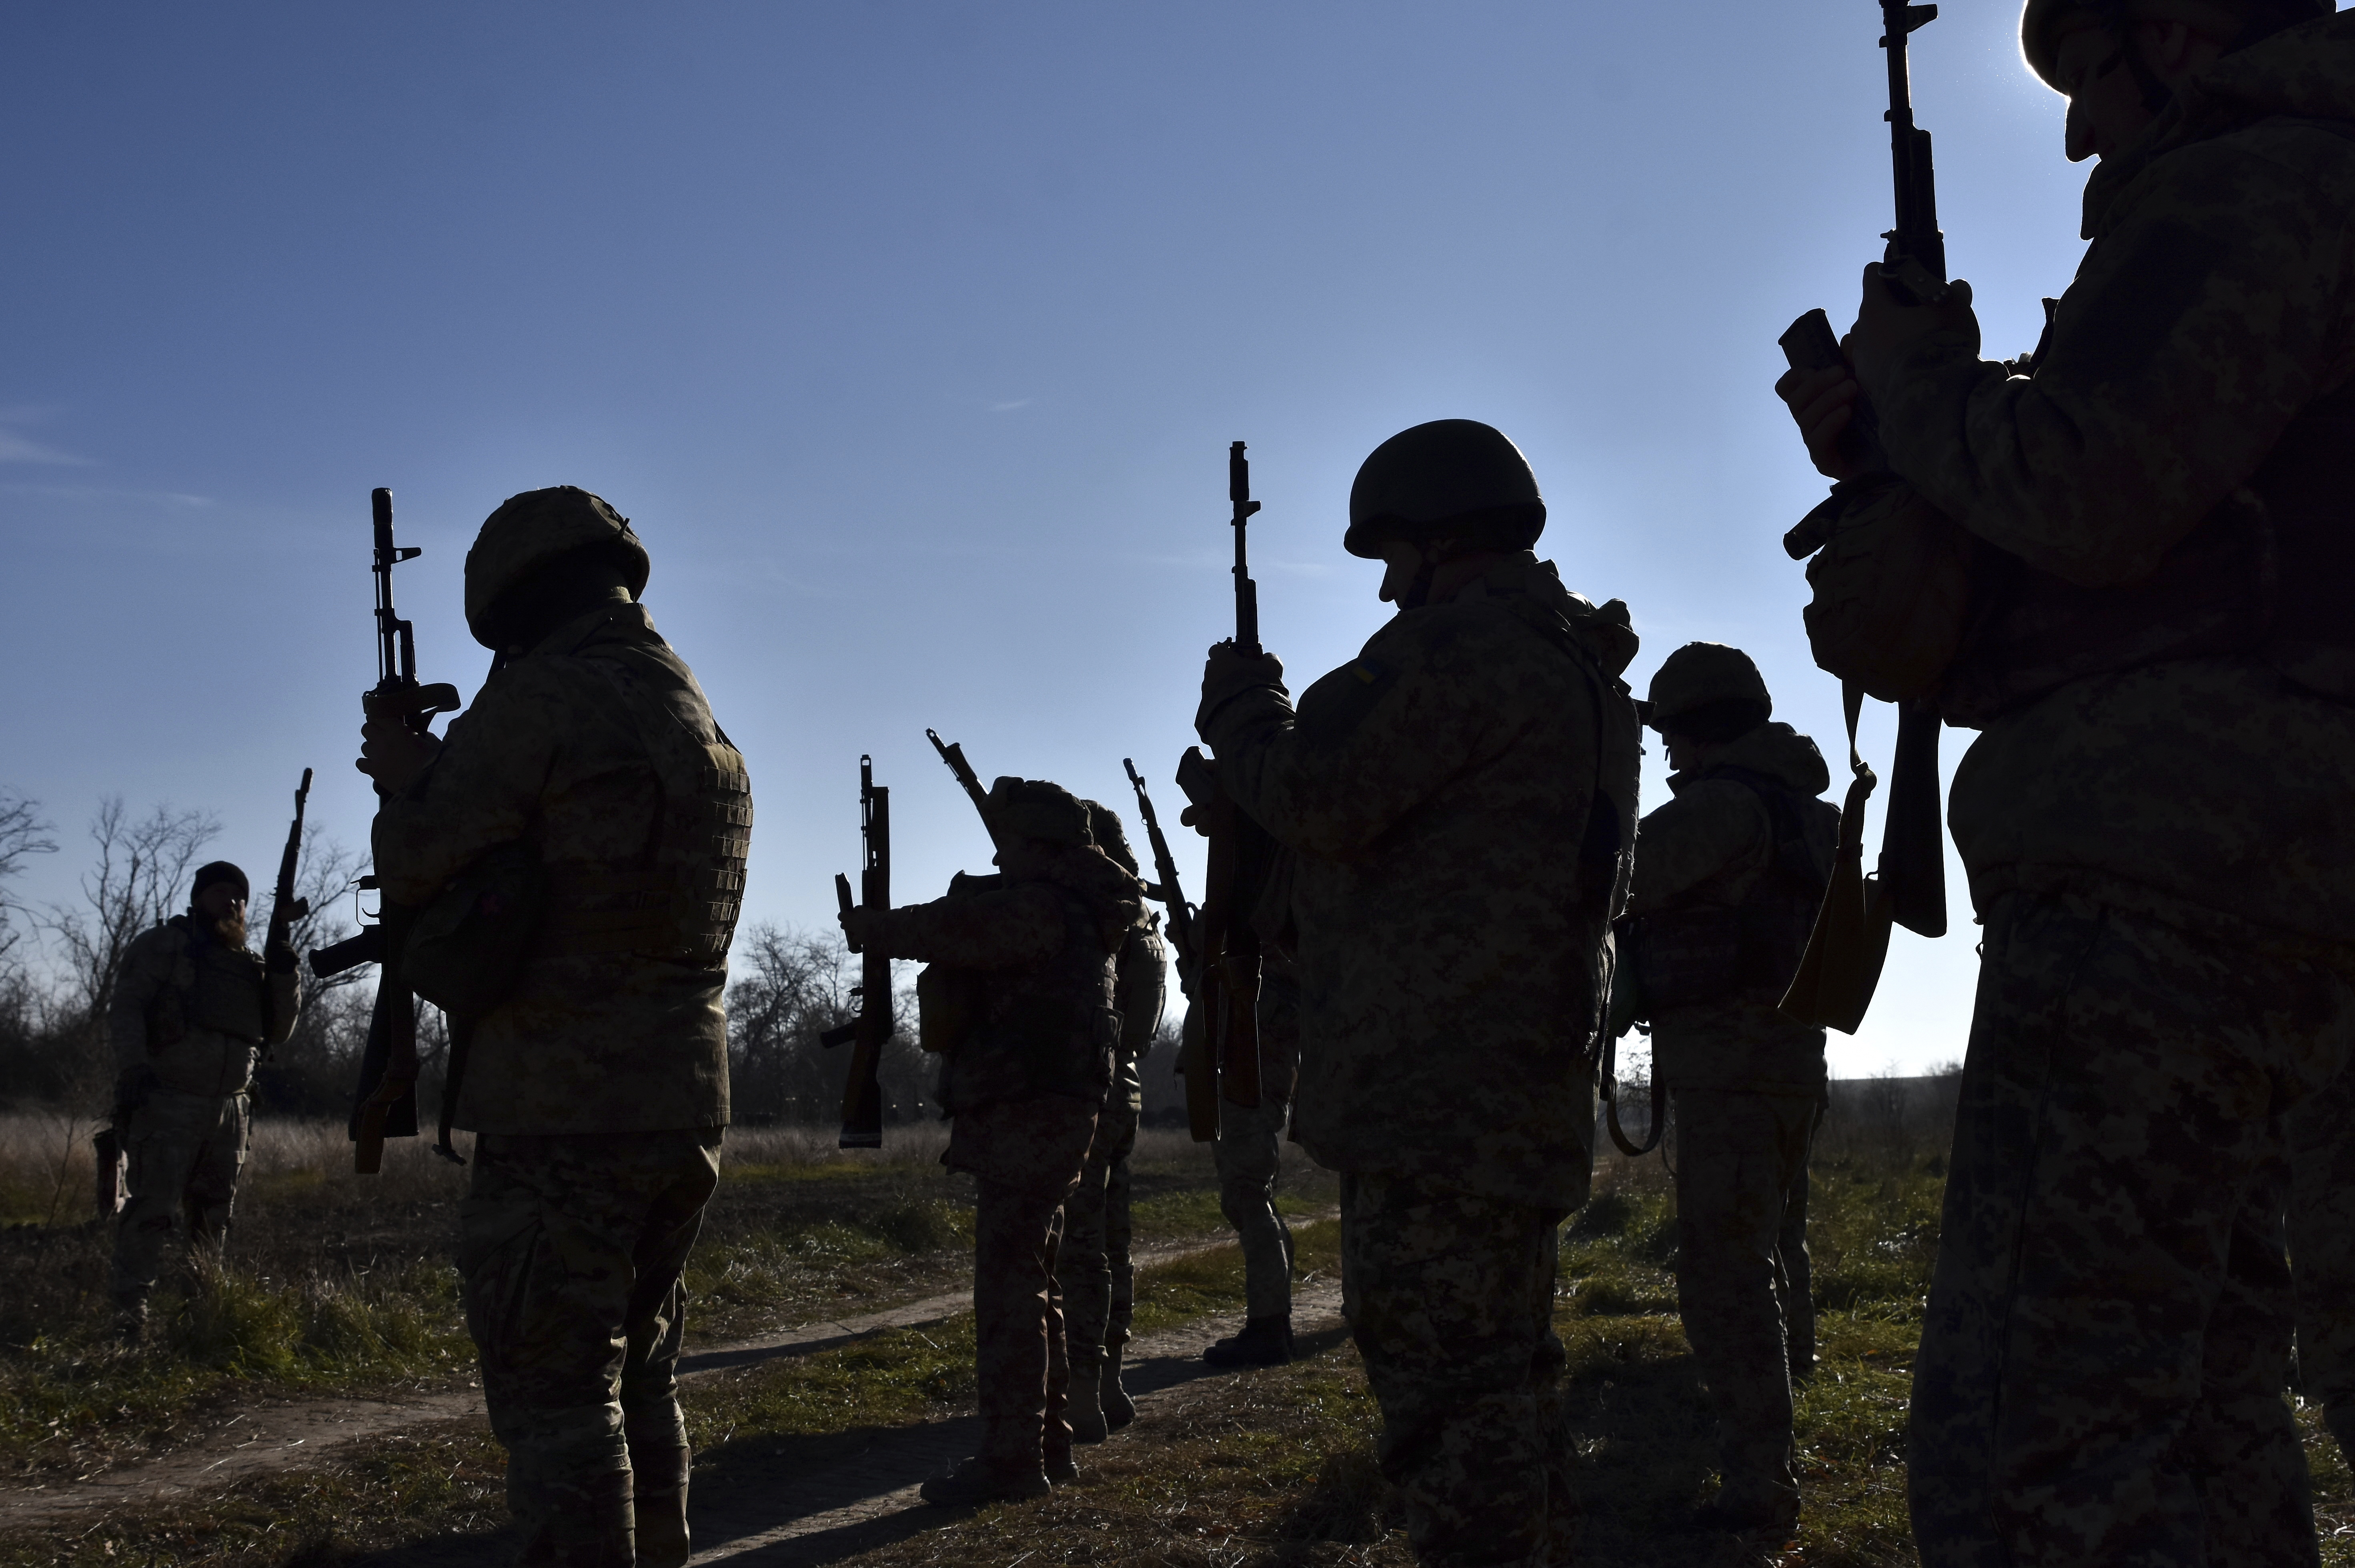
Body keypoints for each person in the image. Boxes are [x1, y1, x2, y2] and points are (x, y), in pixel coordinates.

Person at [1775, 2, 2355, 1559]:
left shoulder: (2248, 184)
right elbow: (2130, 550)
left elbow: (2093, 493)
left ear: (2177, 23)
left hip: (2173, 887)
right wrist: (1898, 469)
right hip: (2242, 872)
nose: (2078, 133)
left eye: (2091, 80)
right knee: (2204, 1434)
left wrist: (1920, 389)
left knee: (2023, 1461)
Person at [1195, 418, 1642, 1567]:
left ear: (1443, 536)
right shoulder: (1572, 666)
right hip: (1510, 1073)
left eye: (1395, 556)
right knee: (1504, 1380)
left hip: (1436, 1084)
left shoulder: (1462, 652)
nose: (1390, 589)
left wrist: (1244, 713)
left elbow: (1321, 791)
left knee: (1445, 1395)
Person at [358, 485, 751, 1568]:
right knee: (644, 1369)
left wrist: (400, 774)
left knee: (557, 1396)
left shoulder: (543, 699)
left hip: (562, 1100)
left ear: (515, 598)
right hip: (684, 1098)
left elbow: (415, 856)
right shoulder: (694, 713)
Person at [840, 777, 1143, 1505]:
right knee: (1035, 1280)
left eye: (1007, 838)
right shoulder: (1082, 903)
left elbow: (949, 929)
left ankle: (1011, 1459)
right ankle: (1048, 1444)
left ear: (1035, 840)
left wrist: (872, 925)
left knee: (1010, 1286)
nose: (998, 853)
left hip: (1025, 1112)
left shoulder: (1041, 904)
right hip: (1055, 1109)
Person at [1617, 643, 1838, 1533]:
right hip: (1792, 1062)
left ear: (1692, 732)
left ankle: (1761, 1484)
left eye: (1671, 735)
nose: (1669, 753)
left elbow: (1614, 879)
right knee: (1777, 1239)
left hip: (1729, 1068)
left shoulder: (1719, 811)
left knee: (1723, 1276)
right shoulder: (1807, 812)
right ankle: (1796, 1375)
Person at [106, 860, 300, 1343]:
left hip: (232, 1109)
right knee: (151, 1211)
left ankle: (203, 1321)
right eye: (220, 892)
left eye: (239, 897)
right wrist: (132, 1066)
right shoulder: (164, 946)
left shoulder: (251, 964)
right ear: (198, 898)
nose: (232, 902)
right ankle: (128, 1326)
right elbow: (127, 1005)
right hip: (169, 1101)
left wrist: (284, 969)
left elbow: (279, 1031)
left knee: (214, 1216)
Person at [1058, 800, 1167, 1440]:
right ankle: (1110, 1378)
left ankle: (1082, 1386)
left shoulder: (1105, 912)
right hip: (1125, 1093)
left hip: (1089, 1092)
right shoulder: (1143, 917)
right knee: (1113, 1245)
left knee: (1081, 1250)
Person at [1200, 952, 1300, 1368]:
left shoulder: (1263, 928)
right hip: (1255, 1049)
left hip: (1250, 1054)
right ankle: (1272, 1320)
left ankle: (1269, 1325)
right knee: (1249, 1193)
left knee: (1247, 1193)